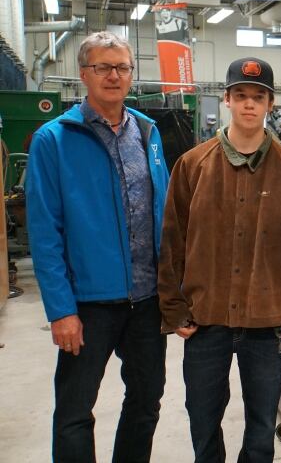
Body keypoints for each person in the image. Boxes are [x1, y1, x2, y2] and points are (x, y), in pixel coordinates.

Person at [157, 57, 281, 462]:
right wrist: (174, 307)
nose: (250, 104)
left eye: (259, 96)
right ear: (227, 100)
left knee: (262, 424)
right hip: (205, 321)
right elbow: (171, 241)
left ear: (271, 104)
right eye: (241, 95)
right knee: (202, 418)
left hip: (266, 324)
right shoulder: (192, 165)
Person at [26, 31, 169, 462]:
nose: (114, 76)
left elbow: (163, 210)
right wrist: (61, 310)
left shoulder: (147, 132)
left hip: (146, 301)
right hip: (87, 304)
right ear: (83, 75)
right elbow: (44, 232)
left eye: (122, 67)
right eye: (103, 67)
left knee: (145, 404)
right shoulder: (54, 139)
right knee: (74, 411)